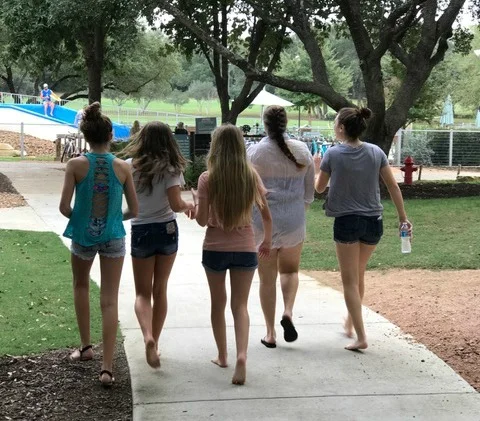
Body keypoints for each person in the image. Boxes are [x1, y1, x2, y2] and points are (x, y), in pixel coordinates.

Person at [314, 107, 412, 351]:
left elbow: (319, 188)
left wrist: (316, 168)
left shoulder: (332, 154)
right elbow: (393, 187)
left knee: (349, 280)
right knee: (358, 273)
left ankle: (360, 337)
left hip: (347, 222)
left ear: (342, 128)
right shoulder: (376, 152)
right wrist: (403, 218)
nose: (334, 126)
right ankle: (350, 322)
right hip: (373, 222)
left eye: (335, 123)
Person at [59, 102, 138, 387]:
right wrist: (112, 219)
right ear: (111, 135)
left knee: (80, 286)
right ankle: (107, 368)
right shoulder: (123, 167)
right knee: (110, 298)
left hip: (83, 237)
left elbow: (64, 207)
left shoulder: (75, 165)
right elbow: (134, 210)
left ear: (86, 136)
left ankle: (85, 348)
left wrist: (84, 220)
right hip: (114, 237)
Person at [192, 124, 272, 385]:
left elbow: (202, 221)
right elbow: (266, 214)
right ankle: (242, 355)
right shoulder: (250, 176)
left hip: (215, 248)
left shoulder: (207, 178)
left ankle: (222, 355)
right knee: (240, 305)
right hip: (245, 247)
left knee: (218, 303)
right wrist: (267, 239)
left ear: (215, 147)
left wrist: (196, 203)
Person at [121, 122, 195, 369]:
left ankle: (147, 337)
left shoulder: (129, 166)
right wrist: (189, 205)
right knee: (160, 289)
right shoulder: (172, 168)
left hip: (141, 230)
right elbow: (176, 204)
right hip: (167, 230)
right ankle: (156, 340)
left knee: (142, 293)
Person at [247, 105, 315, 348]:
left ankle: (270, 333)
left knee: (266, 279)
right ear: (286, 123)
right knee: (290, 271)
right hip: (293, 220)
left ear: (264, 124)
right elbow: (309, 193)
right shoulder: (302, 150)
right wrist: (297, 211)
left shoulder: (254, 153)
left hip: (261, 222)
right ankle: (287, 311)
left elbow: (248, 190)